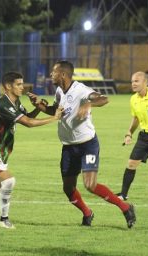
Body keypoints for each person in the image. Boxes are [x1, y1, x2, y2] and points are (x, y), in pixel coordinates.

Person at [27, 60, 136, 228]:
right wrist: (40, 106)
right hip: (69, 147)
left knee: (90, 185)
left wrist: (88, 103)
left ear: (63, 74)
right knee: (68, 188)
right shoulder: (59, 91)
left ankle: (125, 207)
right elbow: (56, 111)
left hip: (87, 145)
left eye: (53, 72)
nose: (51, 75)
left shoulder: (81, 90)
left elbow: (104, 99)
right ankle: (87, 213)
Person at [0, 71, 63, 229]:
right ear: (8, 86)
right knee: (8, 181)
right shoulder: (3, 104)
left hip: (1, 152)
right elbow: (28, 123)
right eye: (19, 84)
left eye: (22, 84)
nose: (23, 87)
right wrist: (54, 118)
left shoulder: (16, 103)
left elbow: (27, 116)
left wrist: (38, 107)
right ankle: (3, 219)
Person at [116, 71, 148, 201]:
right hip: (144, 137)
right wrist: (129, 133)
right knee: (131, 164)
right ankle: (123, 194)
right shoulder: (133, 99)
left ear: (145, 82)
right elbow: (136, 118)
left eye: (136, 81)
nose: (133, 84)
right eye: (132, 81)